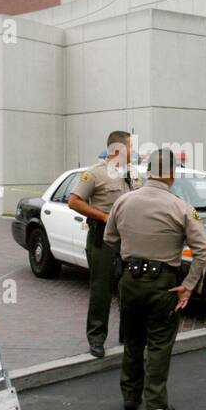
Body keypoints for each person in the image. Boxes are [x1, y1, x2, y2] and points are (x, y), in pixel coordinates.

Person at [104, 148, 206, 410]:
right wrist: (188, 286)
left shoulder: (124, 201)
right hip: (164, 283)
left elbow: (110, 239)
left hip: (130, 279)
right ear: (172, 174)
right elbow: (203, 251)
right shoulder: (182, 207)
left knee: (133, 339)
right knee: (160, 344)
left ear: (147, 171)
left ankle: (130, 395)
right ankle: (155, 406)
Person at [69, 131, 137, 357]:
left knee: (129, 287)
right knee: (101, 289)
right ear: (117, 150)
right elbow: (74, 201)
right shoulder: (94, 174)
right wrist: (104, 217)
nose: (134, 152)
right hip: (103, 239)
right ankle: (97, 338)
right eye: (130, 147)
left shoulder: (133, 174)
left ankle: (127, 334)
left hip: (129, 240)